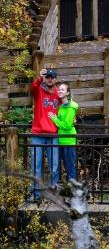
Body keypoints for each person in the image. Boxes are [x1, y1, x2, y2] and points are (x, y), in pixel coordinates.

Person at [29, 67, 59, 201]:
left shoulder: (59, 92)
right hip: (38, 134)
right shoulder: (38, 90)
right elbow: (33, 87)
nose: (50, 79)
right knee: (36, 166)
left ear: (55, 79)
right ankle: (35, 195)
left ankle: (52, 195)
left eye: (52, 77)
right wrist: (40, 77)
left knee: (54, 166)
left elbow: (66, 105)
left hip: (53, 135)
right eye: (48, 77)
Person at [50, 82, 78, 181]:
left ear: (67, 93)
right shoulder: (61, 106)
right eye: (59, 89)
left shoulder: (72, 107)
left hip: (69, 140)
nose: (60, 91)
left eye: (63, 89)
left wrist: (54, 119)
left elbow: (66, 125)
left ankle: (73, 190)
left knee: (71, 166)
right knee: (66, 166)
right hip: (61, 140)